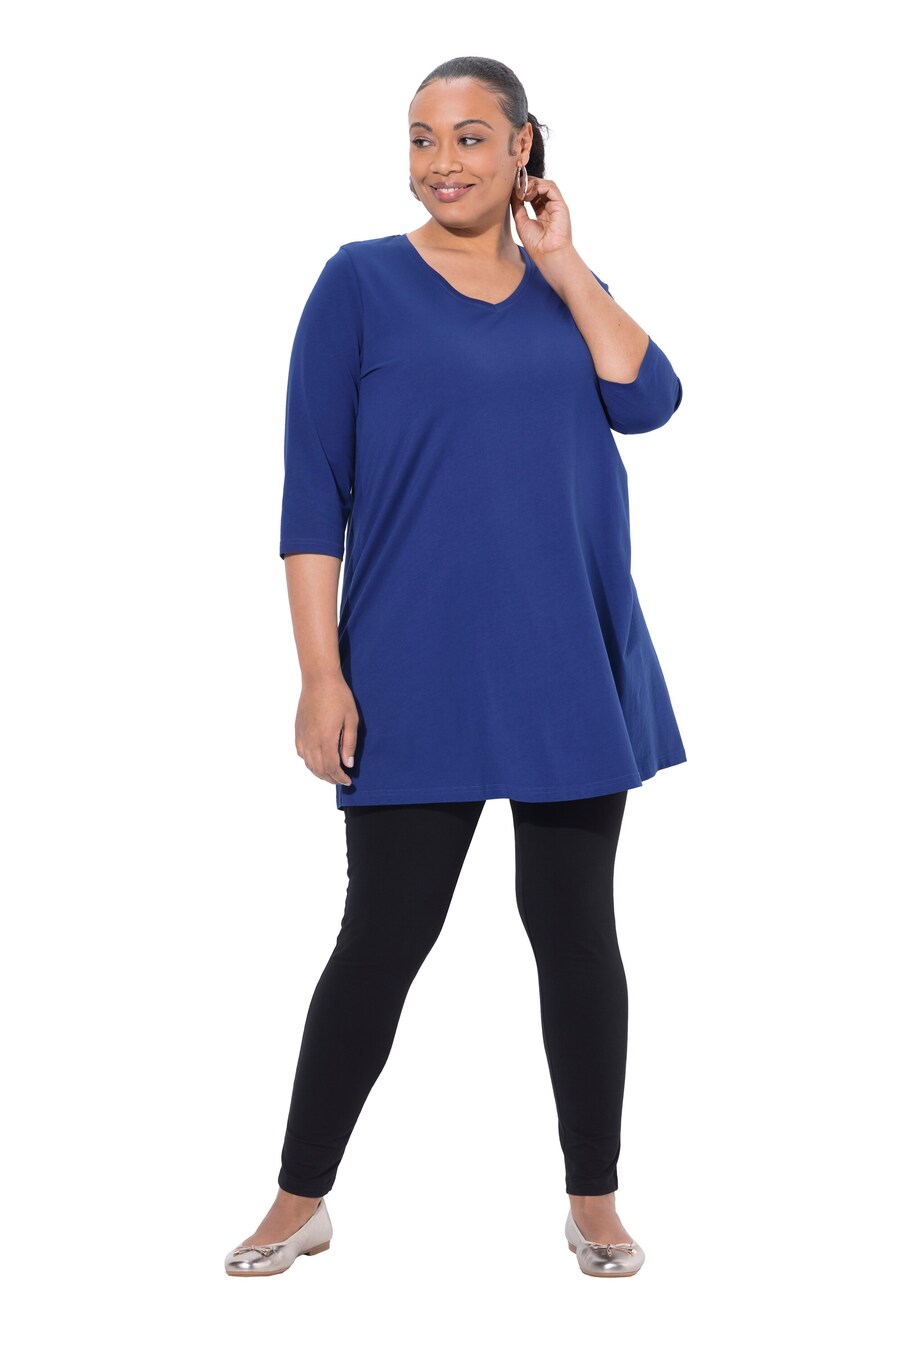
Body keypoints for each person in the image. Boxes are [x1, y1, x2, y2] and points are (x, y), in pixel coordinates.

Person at [225, 54, 686, 1281]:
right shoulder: (359, 282)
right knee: (380, 940)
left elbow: (651, 399)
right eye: (423, 138)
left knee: (575, 932)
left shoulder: (563, 287)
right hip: (412, 667)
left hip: (566, 660)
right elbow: (310, 494)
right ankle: (298, 1196)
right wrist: (320, 674)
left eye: (472, 137)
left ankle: (594, 1197)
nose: (443, 162)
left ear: (524, 146)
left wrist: (565, 262)